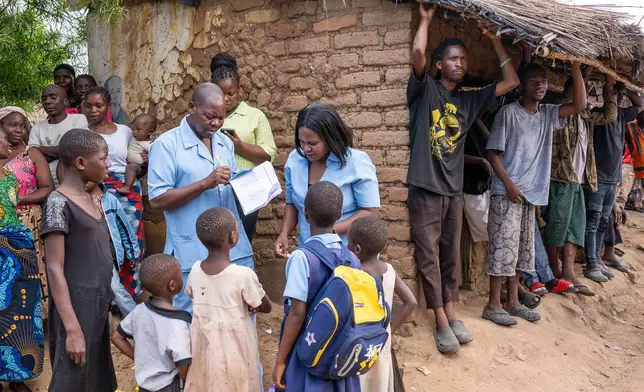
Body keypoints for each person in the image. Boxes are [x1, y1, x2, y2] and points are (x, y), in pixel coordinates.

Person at [407, 4, 519, 351]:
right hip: (425, 186)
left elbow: (511, 81)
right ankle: (440, 320)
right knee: (428, 256)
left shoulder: (470, 101)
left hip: (452, 190)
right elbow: (417, 52)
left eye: (464, 59)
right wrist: (425, 20)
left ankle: (452, 313)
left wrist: (495, 42)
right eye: (453, 58)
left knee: (451, 255)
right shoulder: (425, 91)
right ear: (440, 64)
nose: (460, 63)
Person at [484, 61, 587, 326]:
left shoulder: (547, 114)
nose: (541, 85)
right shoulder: (508, 114)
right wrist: (508, 184)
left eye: (544, 81)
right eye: (534, 81)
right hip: (506, 193)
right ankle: (493, 304)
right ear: (522, 85)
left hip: (530, 195)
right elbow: (493, 152)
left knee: (522, 251)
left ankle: (513, 302)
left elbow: (580, 105)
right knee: (503, 249)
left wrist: (575, 68)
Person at [148, 83, 254, 313]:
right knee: (194, 319)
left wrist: (253, 188)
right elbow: (157, 199)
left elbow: (229, 186)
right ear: (192, 107)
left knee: (241, 314)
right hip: (192, 251)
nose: (216, 124)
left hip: (232, 249)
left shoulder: (225, 143)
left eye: (221, 118)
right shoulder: (167, 146)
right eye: (210, 117)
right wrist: (205, 183)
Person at [41, 129, 117, 392]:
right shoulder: (57, 203)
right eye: (103, 158)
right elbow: (54, 267)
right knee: (72, 377)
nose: (108, 164)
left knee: (94, 378)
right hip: (75, 307)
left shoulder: (90, 199)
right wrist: (72, 328)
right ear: (81, 163)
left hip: (96, 304)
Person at [274, 181, 361, 392]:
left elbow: (297, 313)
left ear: (305, 213)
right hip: (340, 354)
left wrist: (280, 360)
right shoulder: (352, 259)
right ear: (340, 214)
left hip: (306, 352)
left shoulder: (301, 258)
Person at [274, 102, 380, 257]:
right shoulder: (295, 161)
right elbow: (292, 204)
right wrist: (284, 234)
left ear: (330, 138)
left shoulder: (356, 162)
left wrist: (328, 232)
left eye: (312, 143)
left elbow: (371, 213)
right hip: (311, 252)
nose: (305, 148)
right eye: (302, 142)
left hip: (348, 253)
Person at [544, 74, 617, 296]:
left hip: (578, 180)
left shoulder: (585, 117)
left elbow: (611, 114)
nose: (587, 98)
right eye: (582, 91)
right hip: (559, 178)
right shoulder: (559, 113)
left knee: (575, 228)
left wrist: (609, 88)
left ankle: (567, 272)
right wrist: (577, 71)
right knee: (557, 227)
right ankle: (555, 271)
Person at [184, 207, 271, 392]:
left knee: (207, 382)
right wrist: (249, 302)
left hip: (204, 349)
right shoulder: (243, 275)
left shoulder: (195, 270)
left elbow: (193, 293)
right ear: (233, 237)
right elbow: (265, 306)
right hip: (236, 351)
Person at [84, 86, 143, 298]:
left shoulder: (125, 131)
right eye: (88, 106)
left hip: (127, 191)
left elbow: (136, 160)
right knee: (103, 241)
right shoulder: (82, 134)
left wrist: (138, 167)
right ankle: (107, 297)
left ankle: (131, 294)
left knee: (131, 240)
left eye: (98, 105)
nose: (93, 110)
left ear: (108, 106)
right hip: (94, 189)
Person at [211, 52, 277, 242]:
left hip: (247, 192)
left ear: (240, 90)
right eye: (221, 94)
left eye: (231, 93)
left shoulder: (254, 116)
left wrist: (238, 146)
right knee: (215, 241)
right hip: (214, 188)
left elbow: (268, 155)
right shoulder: (207, 118)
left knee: (242, 240)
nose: (226, 99)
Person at [348, 216, 417, 392]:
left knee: (360, 383)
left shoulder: (356, 275)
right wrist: (389, 329)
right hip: (380, 341)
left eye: (348, 243)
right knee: (379, 381)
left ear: (356, 249)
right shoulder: (389, 270)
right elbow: (411, 302)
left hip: (359, 343)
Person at [584, 83, 644, 282]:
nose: (617, 99)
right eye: (613, 95)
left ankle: (598, 260)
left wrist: (624, 89)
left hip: (612, 179)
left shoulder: (621, 116)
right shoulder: (597, 115)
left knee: (602, 221)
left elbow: (640, 104)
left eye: (619, 97)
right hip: (597, 178)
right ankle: (591, 263)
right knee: (593, 222)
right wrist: (609, 88)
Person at [0, 129, 45, 392]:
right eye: (2, 137)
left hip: (17, 252)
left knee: (23, 314)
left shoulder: (9, 177)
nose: (9, 142)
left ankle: (18, 375)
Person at [111, 254, 192, 392]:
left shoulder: (139, 311)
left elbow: (116, 337)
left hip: (145, 386)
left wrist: (141, 360)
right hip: (169, 386)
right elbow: (183, 367)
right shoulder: (178, 322)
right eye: (180, 275)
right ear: (172, 285)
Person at [87, 181, 140, 315]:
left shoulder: (110, 200)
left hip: (106, 255)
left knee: (117, 291)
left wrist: (132, 253)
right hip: (86, 257)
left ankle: (139, 322)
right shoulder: (75, 200)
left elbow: (124, 228)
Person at [28, 85, 88, 186]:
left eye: (53, 97)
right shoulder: (37, 128)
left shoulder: (78, 119)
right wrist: (63, 151)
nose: (47, 101)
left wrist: (39, 149)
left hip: (73, 184)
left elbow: (77, 150)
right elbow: (32, 158)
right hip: (45, 185)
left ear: (65, 101)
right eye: (44, 98)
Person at [120, 113, 156, 195]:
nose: (134, 132)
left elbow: (158, 158)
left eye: (138, 130)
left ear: (149, 132)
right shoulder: (133, 137)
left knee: (131, 167)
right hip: (129, 163)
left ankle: (127, 187)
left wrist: (149, 158)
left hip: (140, 167)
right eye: (133, 128)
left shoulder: (150, 144)